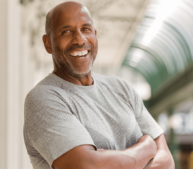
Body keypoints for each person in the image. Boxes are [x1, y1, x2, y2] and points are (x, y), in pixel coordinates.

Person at [23, 1, 174, 169]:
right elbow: (87, 166)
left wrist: (106, 160)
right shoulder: (44, 98)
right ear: (48, 43)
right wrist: (146, 147)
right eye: (66, 32)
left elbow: (166, 161)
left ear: (94, 34)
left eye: (86, 29)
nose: (80, 39)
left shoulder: (122, 88)